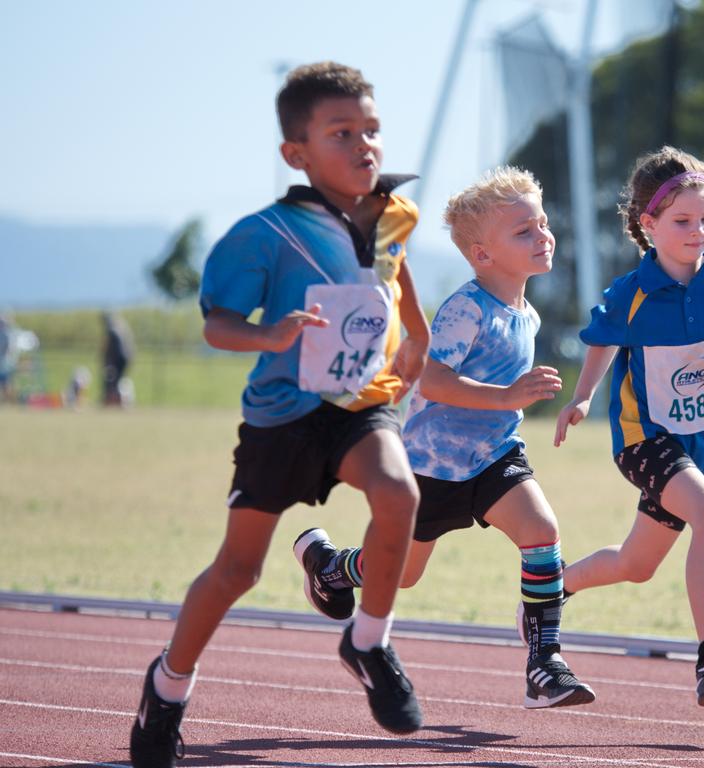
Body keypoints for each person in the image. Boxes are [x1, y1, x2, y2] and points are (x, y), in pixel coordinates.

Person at [129, 62, 431, 768]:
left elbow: (396, 269)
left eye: (373, 131)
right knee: (237, 570)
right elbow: (218, 324)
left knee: (398, 493)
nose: (366, 147)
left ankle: (368, 642)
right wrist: (268, 335)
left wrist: (415, 336)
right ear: (296, 153)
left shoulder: (393, 215)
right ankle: (168, 685)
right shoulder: (264, 232)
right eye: (342, 133)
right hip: (281, 416)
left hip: (360, 406)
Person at [295, 166, 596, 710]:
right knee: (403, 576)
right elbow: (431, 378)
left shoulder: (526, 313)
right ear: (482, 255)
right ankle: (331, 565)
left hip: (495, 457)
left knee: (541, 530)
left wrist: (509, 407)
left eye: (542, 223)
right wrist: (508, 395)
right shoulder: (466, 308)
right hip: (430, 468)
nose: (543, 235)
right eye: (523, 231)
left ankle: (544, 664)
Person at [550, 146, 704, 707]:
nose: (698, 231)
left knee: (635, 565)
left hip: (691, 446)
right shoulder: (632, 293)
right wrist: (583, 398)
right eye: (683, 221)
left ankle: (553, 588)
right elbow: (602, 340)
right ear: (649, 225)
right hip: (644, 442)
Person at [101, 311, 134, 406]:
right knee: (117, 380)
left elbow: (109, 347)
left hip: (119, 359)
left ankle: (114, 401)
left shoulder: (112, 329)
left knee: (113, 381)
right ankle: (117, 401)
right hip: (126, 357)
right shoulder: (121, 327)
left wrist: (107, 360)